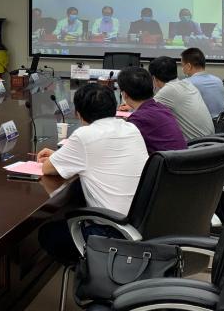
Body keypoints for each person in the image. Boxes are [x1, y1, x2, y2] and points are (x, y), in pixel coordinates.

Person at [36, 83, 148, 265]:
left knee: (48, 233)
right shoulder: (130, 128)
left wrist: (58, 157)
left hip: (111, 232)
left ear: (78, 114)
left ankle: (94, 273)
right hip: (141, 224)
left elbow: (47, 168)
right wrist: (63, 156)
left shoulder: (84, 135)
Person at [117, 66, 186, 153]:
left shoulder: (138, 119)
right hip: (182, 159)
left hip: (165, 161)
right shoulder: (162, 108)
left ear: (125, 94)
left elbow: (123, 147)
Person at [148, 56, 214, 141]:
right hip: (212, 142)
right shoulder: (187, 84)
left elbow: (143, 113)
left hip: (196, 145)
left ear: (154, 78)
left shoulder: (169, 90)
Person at [181, 47, 224, 116]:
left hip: (203, 122)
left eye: (182, 65)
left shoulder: (186, 83)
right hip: (223, 121)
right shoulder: (218, 80)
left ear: (189, 66)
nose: (182, 69)